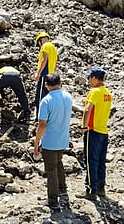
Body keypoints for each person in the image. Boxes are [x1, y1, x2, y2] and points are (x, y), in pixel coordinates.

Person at [33, 73, 72, 212]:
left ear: (46, 85)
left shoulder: (46, 100)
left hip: (50, 141)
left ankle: (53, 200)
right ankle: (62, 189)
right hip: (62, 138)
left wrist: (36, 141)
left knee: (51, 169)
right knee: (59, 163)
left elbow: (42, 124)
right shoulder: (68, 97)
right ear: (60, 83)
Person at [76, 67, 112, 200]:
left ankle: (91, 190)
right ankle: (101, 187)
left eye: (90, 78)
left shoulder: (94, 92)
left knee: (91, 160)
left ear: (95, 78)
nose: (89, 81)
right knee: (101, 161)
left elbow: (87, 109)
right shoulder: (107, 93)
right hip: (103, 130)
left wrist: (84, 126)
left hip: (93, 130)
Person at [34, 32, 58, 120]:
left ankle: (40, 117)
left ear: (40, 41)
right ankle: (48, 116)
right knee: (48, 97)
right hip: (51, 76)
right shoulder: (53, 48)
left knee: (40, 97)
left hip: (44, 75)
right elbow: (55, 64)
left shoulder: (45, 46)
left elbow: (44, 60)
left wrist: (38, 73)